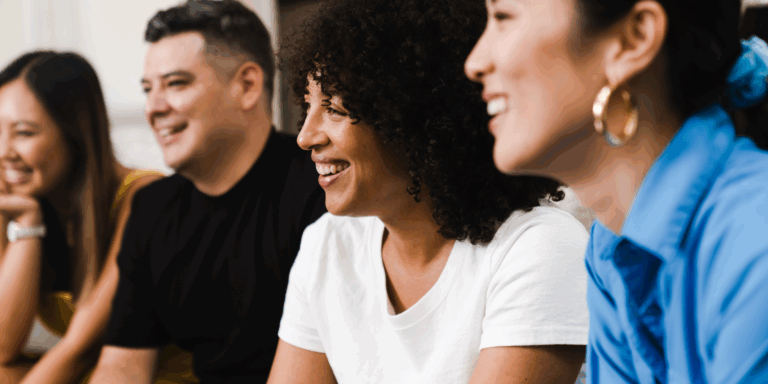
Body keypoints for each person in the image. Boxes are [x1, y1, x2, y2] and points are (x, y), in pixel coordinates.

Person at [267, 0, 590, 383]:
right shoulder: (327, 244)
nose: (305, 137)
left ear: (413, 117)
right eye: (307, 106)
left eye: (335, 108)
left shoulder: (537, 247)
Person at [466, 0, 768, 382]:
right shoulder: (611, 245)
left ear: (634, 39)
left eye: (503, 17)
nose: (474, 62)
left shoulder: (754, 239)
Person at [88, 1, 326, 382]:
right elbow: (122, 365)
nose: (153, 108)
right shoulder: (152, 209)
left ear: (247, 86)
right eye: (148, 89)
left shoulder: (322, 190)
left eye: (176, 84)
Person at [0, 51, 164, 383]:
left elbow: (80, 350)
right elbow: (2, 346)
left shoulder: (145, 197)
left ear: (75, 135)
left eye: (25, 133)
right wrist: (27, 222)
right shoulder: (23, 200)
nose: (4, 151)